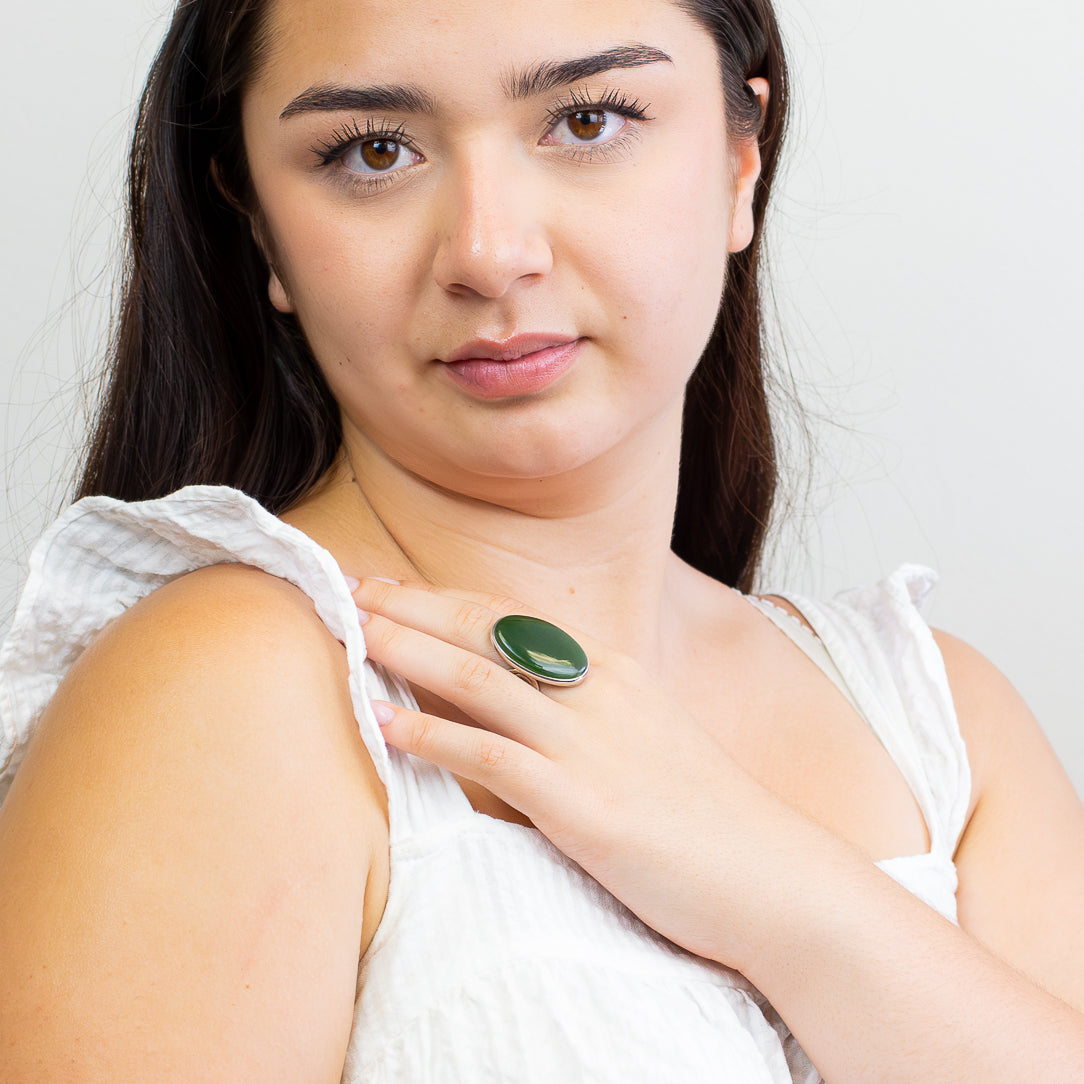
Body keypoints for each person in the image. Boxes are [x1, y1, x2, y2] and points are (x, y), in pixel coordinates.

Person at [1, 0, 1082, 1079]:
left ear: (740, 159)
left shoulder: (939, 722)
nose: (489, 252)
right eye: (372, 150)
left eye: (588, 120)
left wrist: (765, 876)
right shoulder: (236, 685)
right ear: (260, 228)